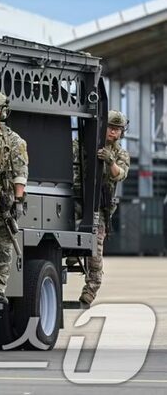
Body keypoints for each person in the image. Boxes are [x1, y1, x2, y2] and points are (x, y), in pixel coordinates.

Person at [74, 110, 130, 306]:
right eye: (111, 128)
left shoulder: (120, 154)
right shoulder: (82, 144)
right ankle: (73, 253)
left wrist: (110, 161)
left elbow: (119, 174)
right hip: (77, 200)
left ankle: (90, 290)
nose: (113, 133)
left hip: (99, 207)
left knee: (95, 254)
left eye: (117, 129)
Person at [0, 90, 28, 303]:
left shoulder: (14, 140)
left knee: (3, 244)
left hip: (4, 198)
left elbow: (20, 172)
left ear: (3, 111)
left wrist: (17, 201)